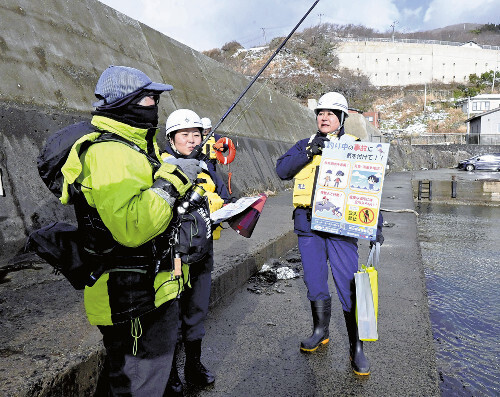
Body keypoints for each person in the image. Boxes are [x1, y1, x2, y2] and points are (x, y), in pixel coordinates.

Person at [60, 65, 201, 396]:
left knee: (130, 380)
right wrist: (175, 179)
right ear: (126, 102)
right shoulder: (109, 153)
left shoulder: (134, 146)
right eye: (149, 98)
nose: (155, 104)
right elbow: (133, 228)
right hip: (131, 297)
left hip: (149, 287)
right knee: (140, 384)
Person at [275, 92, 384, 376]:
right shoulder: (305, 145)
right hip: (307, 224)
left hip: (341, 228)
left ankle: (356, 347)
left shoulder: (356, 147)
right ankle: (320, 330)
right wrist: (309, 152)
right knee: (314, 281)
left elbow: (369, 191)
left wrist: (376, 225)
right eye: (321, 113)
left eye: (331, 114)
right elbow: (282, 170)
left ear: (342, 119)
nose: (324, 117)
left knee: (349, 284)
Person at [161, 109, 231, 394]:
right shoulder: (161, 166)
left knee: (197, 309)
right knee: (172, 312)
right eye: (184, 135)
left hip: (203, 249)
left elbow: (226, 198)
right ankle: (169, 373)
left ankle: (193, 365)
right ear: (171, 139)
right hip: (173, 254)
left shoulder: (208, 165)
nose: (192, 140)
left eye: (196, 135)